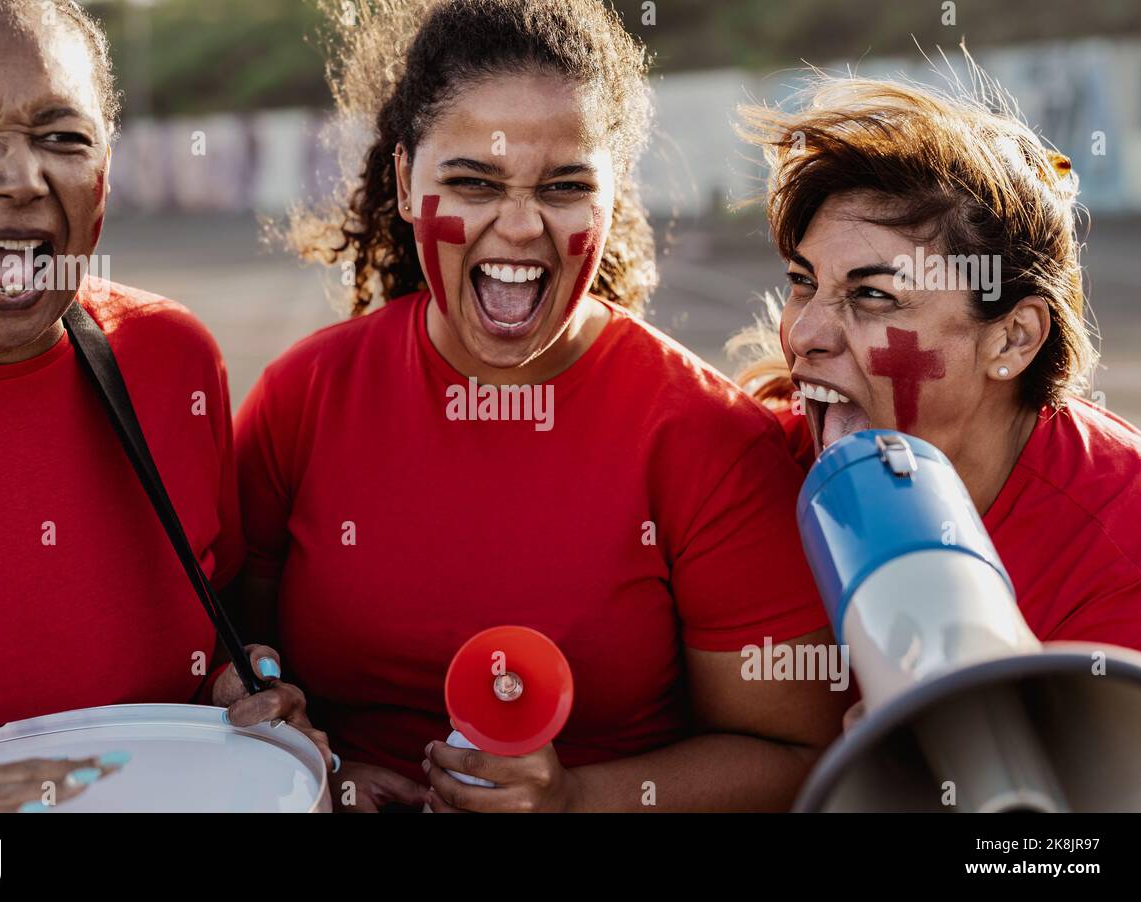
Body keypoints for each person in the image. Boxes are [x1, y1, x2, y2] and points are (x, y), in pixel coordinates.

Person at [232, 0, 848, 813]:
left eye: (564, 187)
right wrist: (318, 764)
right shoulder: (302, 399)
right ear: (404, 182)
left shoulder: (708, 439)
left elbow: (798, 756)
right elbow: (240, 660)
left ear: (611, 196)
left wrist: (574, 799)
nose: (519, 227)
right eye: (472, 182)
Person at [0, 0, 321, 812]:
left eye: (64, 138)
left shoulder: (174, 360)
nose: (23, 178)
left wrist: (240, 698)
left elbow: (217, 638)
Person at [728, 67, 1141, 661]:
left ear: (1012, 340)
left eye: (873, 294)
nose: (803, 334)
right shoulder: (745, 471)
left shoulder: (1131, 531)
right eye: (803, 282)